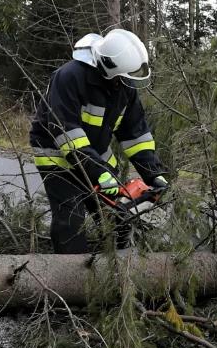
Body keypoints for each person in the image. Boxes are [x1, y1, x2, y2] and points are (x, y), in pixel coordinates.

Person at [30, 29, 169, 253]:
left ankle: (118, 270)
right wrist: (99, 173)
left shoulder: (124, 87)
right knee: (71, 221)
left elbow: (136, 135)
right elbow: (65, 130)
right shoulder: (70, 77)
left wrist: (153, 173)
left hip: (94, 154)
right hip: (57, 156)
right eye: (125, 76)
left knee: (118, 216)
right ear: (109, 67)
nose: (128, 80)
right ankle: (70, 278)